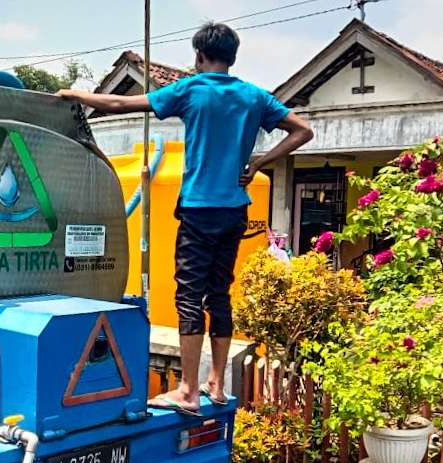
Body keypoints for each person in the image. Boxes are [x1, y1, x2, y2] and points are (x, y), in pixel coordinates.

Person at [58, 21, 313, 414]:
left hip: (198, 209)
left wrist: (74, 94)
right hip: (235, 209)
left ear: (198, 56)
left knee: (190, 298)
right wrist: (261, 160)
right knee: (221, 294)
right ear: (233, 56)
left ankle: (189, 390)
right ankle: (217, 385)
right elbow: (302, 130)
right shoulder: (254, 96)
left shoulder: (192, 89)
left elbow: (122, 104)